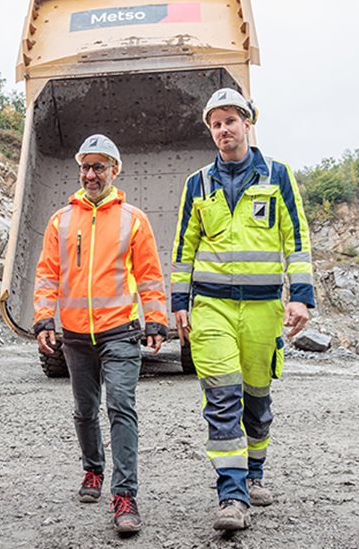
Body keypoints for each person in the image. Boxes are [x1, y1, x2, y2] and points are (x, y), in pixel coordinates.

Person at [170, 89, 315, 531]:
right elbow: (184, 248)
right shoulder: (198, 184)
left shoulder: (278, 176)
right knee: (221, 397)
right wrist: (179, 302)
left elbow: (296, 240)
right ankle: (231, 496)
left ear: (247, 124)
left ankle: (254, 473)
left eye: (230, 120)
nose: (223, 130)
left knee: (256, 400)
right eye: (215, 124)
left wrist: (300, 296)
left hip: (262, 309)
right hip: (211, 307)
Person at [33, 134, 167, 535]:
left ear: (115, 170)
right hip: (75, 336)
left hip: (120, 332)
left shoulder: (133, 219)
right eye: (85, 167)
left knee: (121, 407)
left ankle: (124, 495)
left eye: (99, 167)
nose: (91, 174)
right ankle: (93, 468)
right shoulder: (61, 220)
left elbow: (149, 274)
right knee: (84, 410)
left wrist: (156, 319)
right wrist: (44, 319)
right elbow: (47, 274)